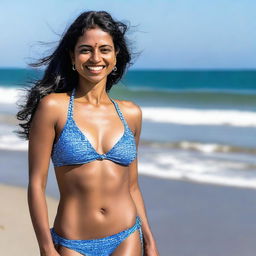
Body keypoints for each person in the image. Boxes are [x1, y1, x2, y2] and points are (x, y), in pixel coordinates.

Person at [16, 10, 159, 256]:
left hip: (127, 236)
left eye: (104, 49)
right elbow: (36, 185)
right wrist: (46, 248)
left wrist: (149, 239)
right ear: (73, 56)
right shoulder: (53, 107)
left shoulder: (131, 113)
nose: (95, 57)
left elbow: (132, 186)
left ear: (116, 56)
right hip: (72, 243)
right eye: (85, 50)